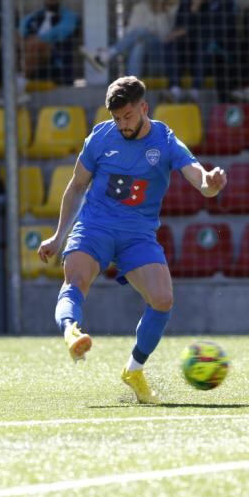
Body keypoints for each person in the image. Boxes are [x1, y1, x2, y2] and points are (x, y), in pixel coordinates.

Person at [36, 76, 227, 403]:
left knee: (163, 299)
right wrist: (58, 235)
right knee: (75, 281)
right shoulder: (100, 137)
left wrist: (210, 183)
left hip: (137, 233)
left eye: (128, 117)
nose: (122, 124)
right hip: (95, 225)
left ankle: (134, 370)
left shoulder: (165, 140)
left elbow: (198, 178)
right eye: (116, 118)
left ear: (143, 107)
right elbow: (76, 186)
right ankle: (71, 331)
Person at [79, 0, 178, 77]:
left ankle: (107, 55)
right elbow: (130, 34)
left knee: (141, 32)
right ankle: (132, 88)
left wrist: (160, 11)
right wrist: (146, 33)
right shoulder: (139, 8)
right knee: (139, 44)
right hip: (141, 59)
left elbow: (165, 36)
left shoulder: (173, 8)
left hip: (160, 58)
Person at [167, 0, 238, 103]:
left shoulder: (223, 0)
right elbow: (178, 28)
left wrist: (190, 29)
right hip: (189, 52)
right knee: (174, 44)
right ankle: (174, 90)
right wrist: (194, 10)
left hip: (213, 53)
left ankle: (195, 92)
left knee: (206, 40)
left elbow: (220, 29)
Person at [19, 0, 79, 85]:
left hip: (55, 62)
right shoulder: (32, 17)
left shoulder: (69, 16)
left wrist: (37, 40)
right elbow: (19, 32)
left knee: (36, 45)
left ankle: (21, 81)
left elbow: (64, 30)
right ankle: (21, 80)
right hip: (31, 58)